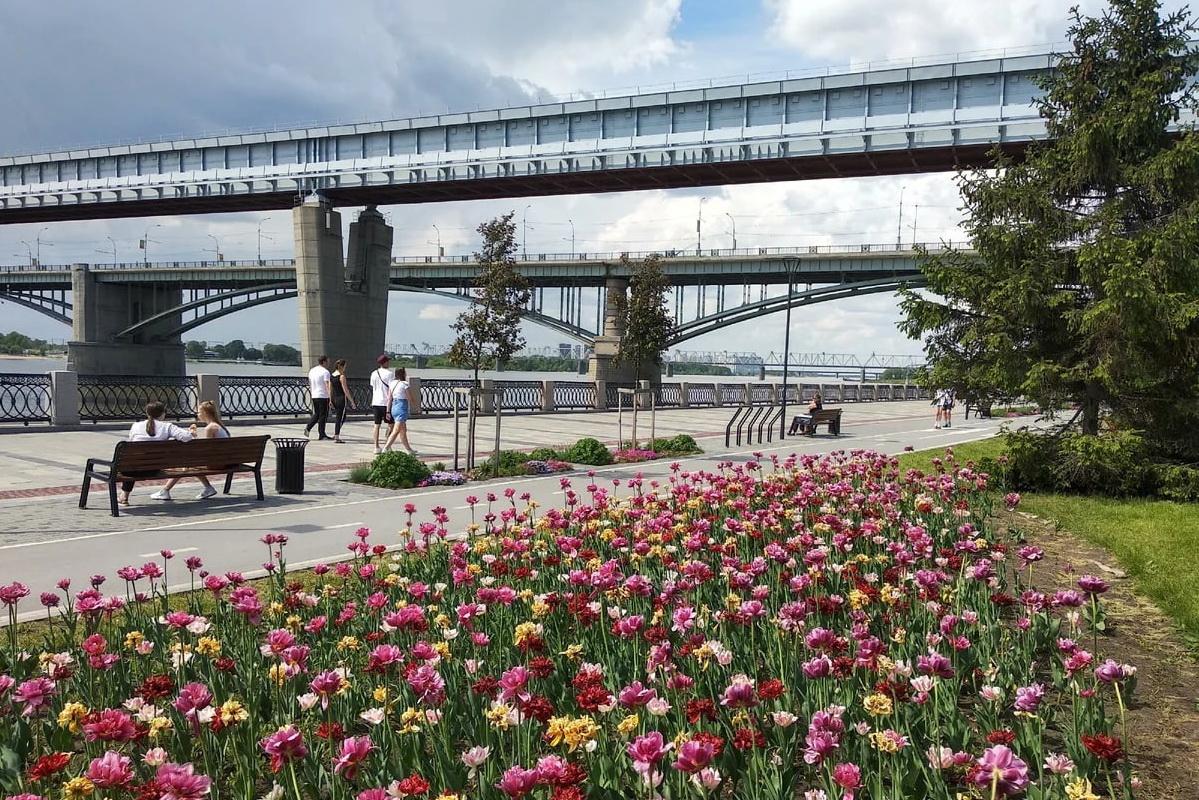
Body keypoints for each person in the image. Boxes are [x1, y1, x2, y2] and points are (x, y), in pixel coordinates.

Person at [150, 400, 229, 501]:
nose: (197, 414)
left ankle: (165, 491)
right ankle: (208, 488)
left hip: (218, 463)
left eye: (199, 412)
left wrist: (192, 435)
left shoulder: (210, 428)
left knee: (186, 464)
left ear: (205, 413)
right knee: (189, 463)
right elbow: (209, 448)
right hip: (225, 461)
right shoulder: (219, 425)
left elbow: (207, 450)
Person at [117, 401, 193, 506]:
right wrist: (190, 431)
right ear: (163, 414)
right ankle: (123, 496)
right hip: (153, 469)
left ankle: (124, 496)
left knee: (135, 461)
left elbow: (132, 440)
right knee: (139, 462)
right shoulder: (168, 427)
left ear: (147, 413)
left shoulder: (136, 425)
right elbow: (186, 437)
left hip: (130, 470)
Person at [383, 367, 417, 455]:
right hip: (402, 407)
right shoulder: (405, 384)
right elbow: (409, 397)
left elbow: (389, 398)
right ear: (403, 374)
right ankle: (386, 448)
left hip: (394, 407)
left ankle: (409, 450)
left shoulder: (392, 383)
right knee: (396, 430)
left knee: (403, 430)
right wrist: (415, 405)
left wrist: (387, 411)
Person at [369, 354, 394, 454]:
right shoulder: (389, 374)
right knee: (391, 424)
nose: (389, 362)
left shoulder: (373, 373)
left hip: (375, 402)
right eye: (388, 361)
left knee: (376, 425)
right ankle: (387, 445)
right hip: (386, 402)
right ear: (385, 362)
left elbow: (372, 386)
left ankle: (376, 447)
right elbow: (391, 389)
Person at [304, 355, 332, 440]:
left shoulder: (312, 370)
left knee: (317, 414)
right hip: (323, 395)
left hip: (314, 395)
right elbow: (327, 385)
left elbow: (310, 383)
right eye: (328, 361)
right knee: (323, 415)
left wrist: (312, 393)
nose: (329, 363)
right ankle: (322, 434)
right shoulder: (325, 372)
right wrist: (330, 397)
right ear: (324, 362)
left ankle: (308, 428)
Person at [330, 359, 356, 444]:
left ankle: (336, 433)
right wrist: (351, 401)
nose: (345, 368)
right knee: (340, 417)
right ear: (341, 366)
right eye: (345, 366)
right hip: (341, 399)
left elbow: (330, 389)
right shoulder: (341, 376)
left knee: (341, 416)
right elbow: (346, 390)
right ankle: (336, 436)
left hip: (334, 398)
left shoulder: (332, 376)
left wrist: (330, 399)